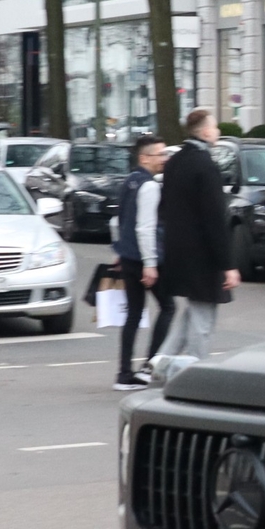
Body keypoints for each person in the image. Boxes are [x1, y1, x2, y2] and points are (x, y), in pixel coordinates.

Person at [149, 108, 238, 382]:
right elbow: (215, 219)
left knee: (191, 315)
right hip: (203, 257)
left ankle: (160, 366)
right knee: (203, 320)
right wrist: (228, 265)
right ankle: (197, 377)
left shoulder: (175, 162)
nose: (219, 132)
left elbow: (165, 208)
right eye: (215, 127)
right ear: (206, 131)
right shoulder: (205, 166)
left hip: (179, 253)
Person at [112, 136, 173, 390]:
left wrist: (119, 249)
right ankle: (149, 366)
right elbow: (145, 227)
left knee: (134, 315)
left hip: (127, 256)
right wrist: (150, 263)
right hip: (143, 258)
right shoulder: (149, 186)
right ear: (144, 157)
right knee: (168, 307)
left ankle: (124, 373)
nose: (164, 159)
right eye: (159, 154)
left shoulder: (130, 181)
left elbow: (118, 220)